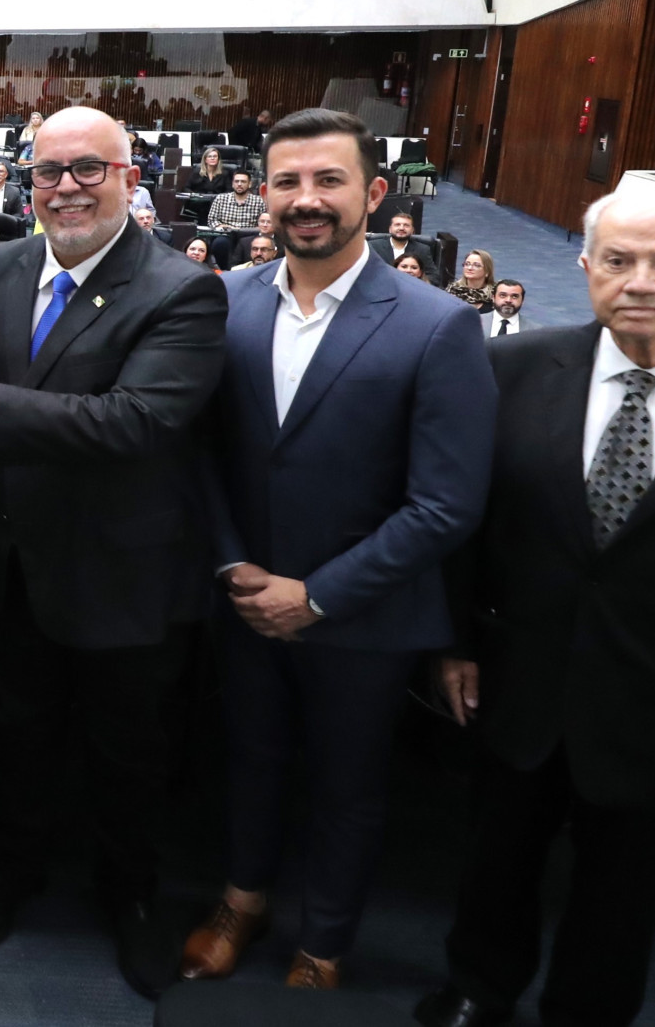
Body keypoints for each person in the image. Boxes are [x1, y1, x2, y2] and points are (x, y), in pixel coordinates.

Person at [420, 185, 655, 1027]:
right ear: (586, 267)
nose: (639, 282)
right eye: (619, 261)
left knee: (621, 891)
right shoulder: (507, 372)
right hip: (515, 686)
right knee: (494, 860)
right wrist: (450, 645)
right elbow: (464, 528)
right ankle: (477, 988)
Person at [0, 110, 226, 997]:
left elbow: (137, 422)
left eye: (88, 169)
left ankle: (133, 896)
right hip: (9, 565)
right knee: (18, 735)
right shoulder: (2, 268)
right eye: (48, 172)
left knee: (129, 755)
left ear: (128, 175)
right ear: (23, 182)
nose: (67, 187)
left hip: (125, 575)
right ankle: (18, 867)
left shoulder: (181, 289)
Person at [187, 109, 496, 989]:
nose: (305, 200)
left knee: (346, 789)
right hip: (242, 597)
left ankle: (321, 944)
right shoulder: (227, 301)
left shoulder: (437, 325)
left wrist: (315, 595)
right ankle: (240, 903)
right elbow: (199, 456)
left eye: (327, 180)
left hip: (364, 615)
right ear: (262, 197)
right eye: (287, 182)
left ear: (372, 192)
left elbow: (445, 503)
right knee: (247, 762)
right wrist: (232, 566)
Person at [368, 210, 437, 280]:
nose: (401, 228)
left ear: (412, 230)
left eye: (406, 225)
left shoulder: (422, 249)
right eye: (397, 225)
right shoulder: (374, 246)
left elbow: (433, 276)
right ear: (390, 229)